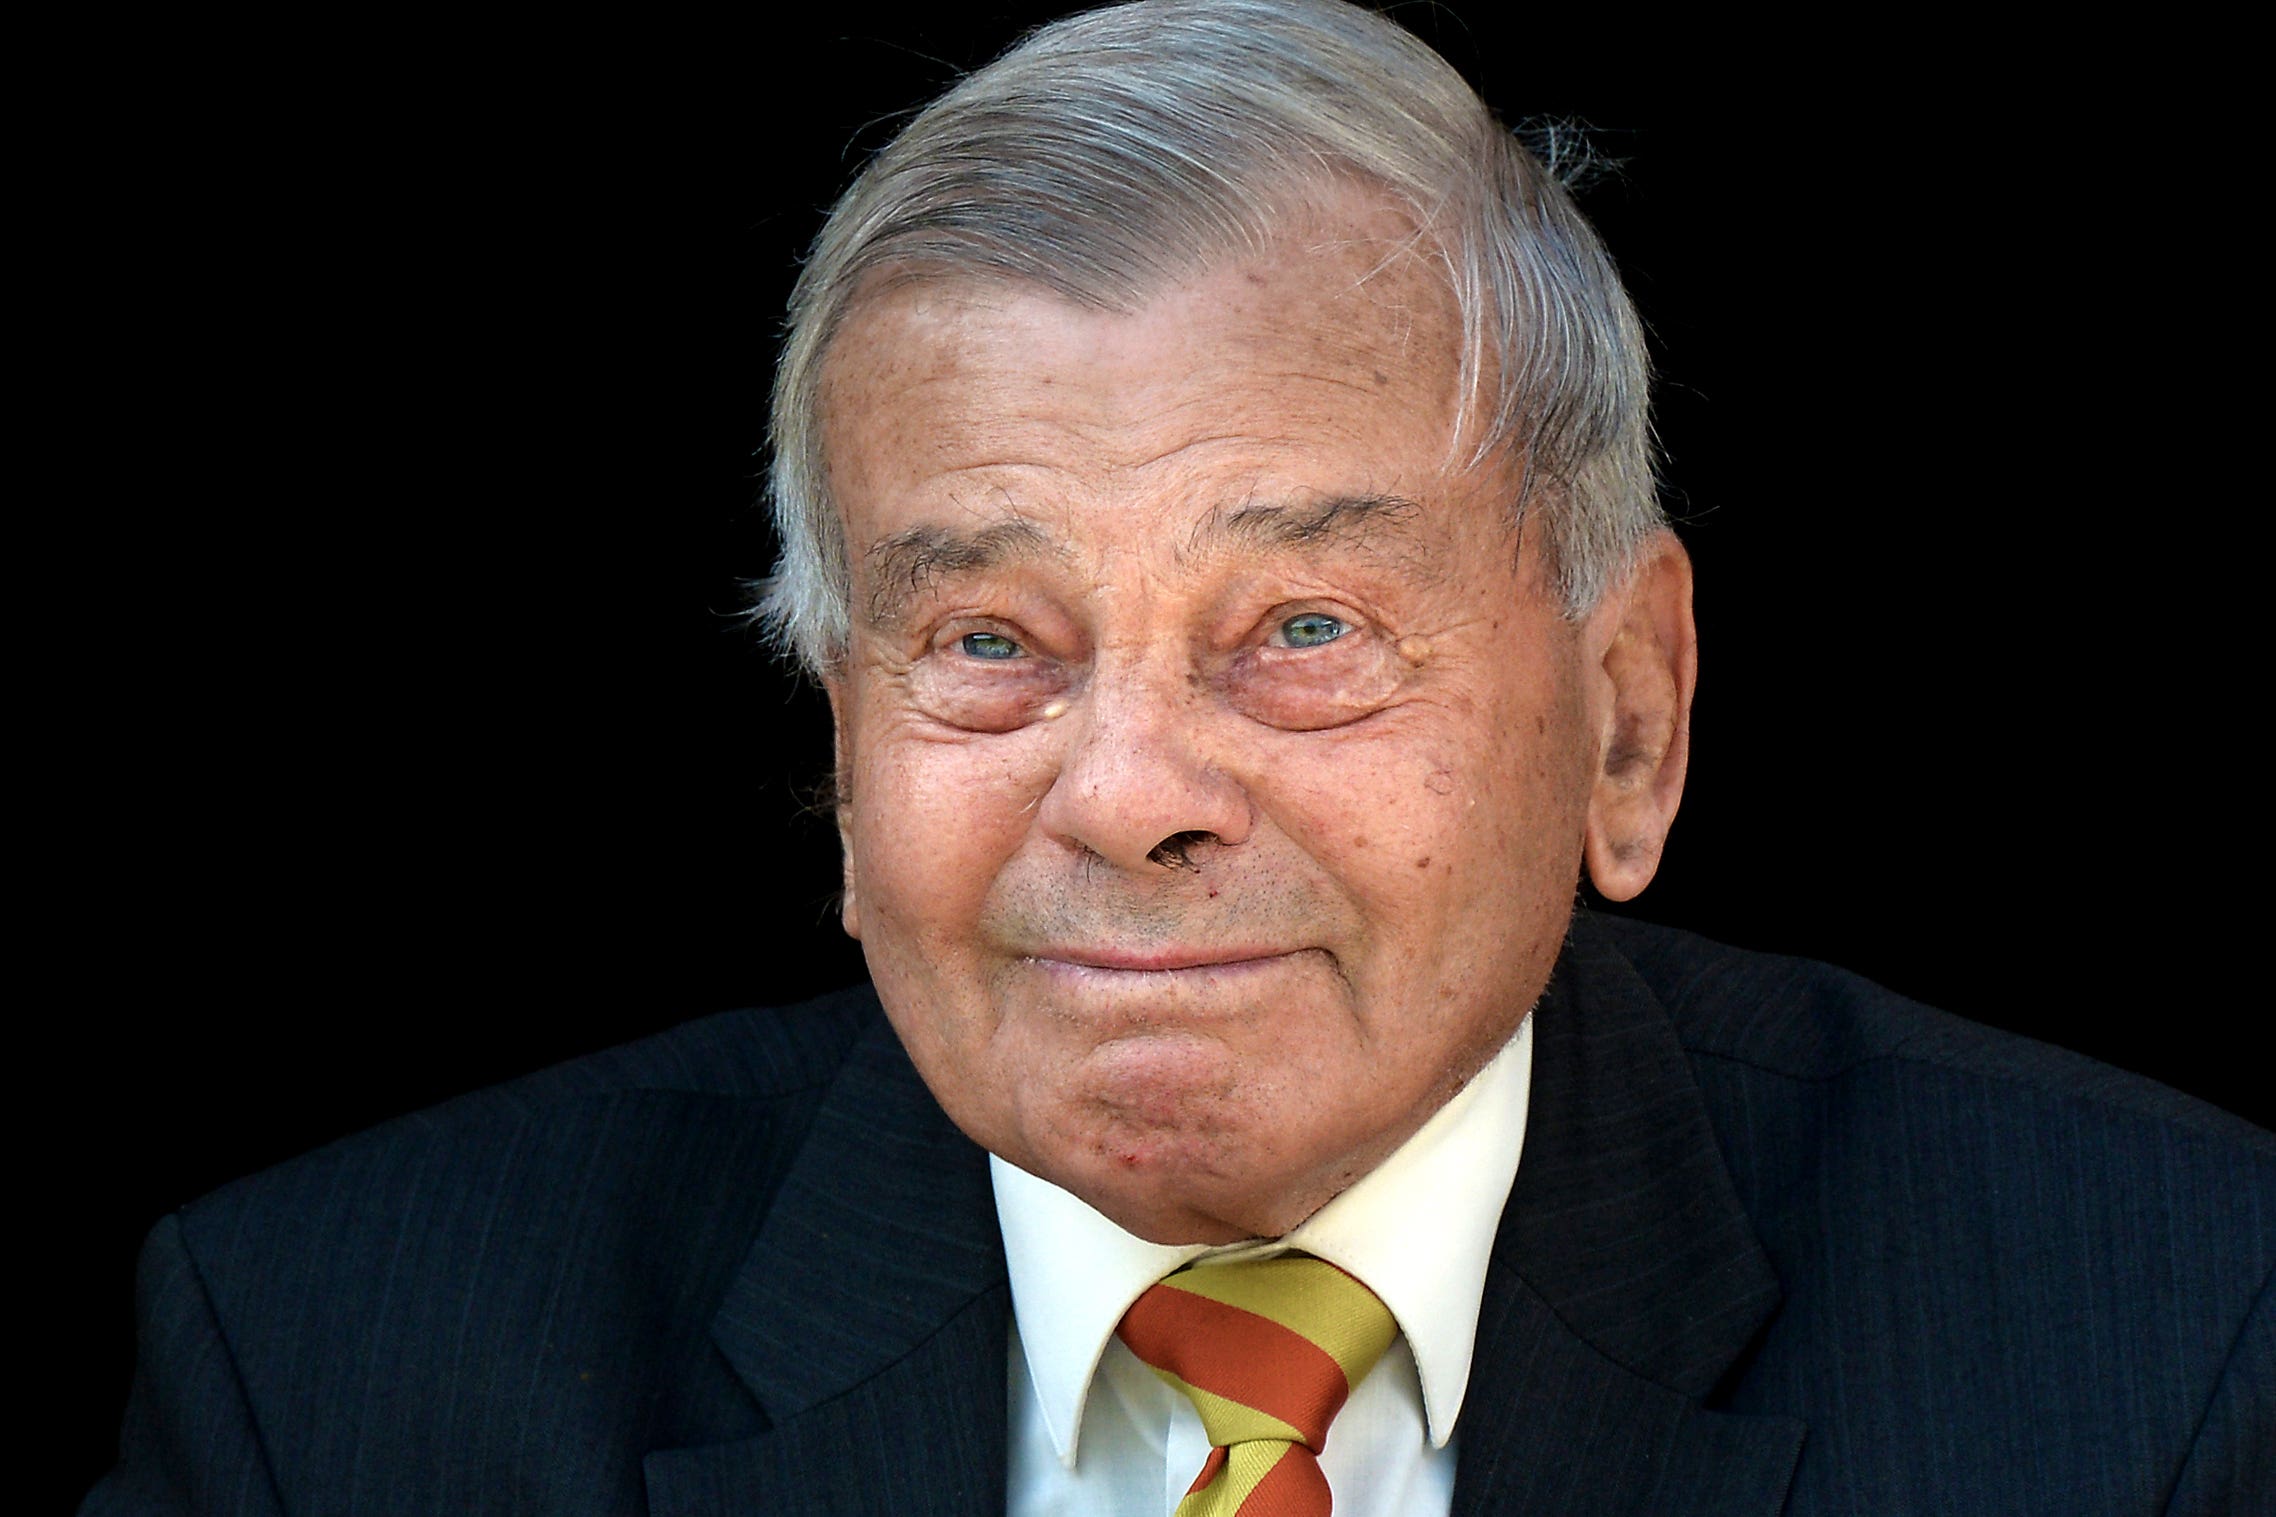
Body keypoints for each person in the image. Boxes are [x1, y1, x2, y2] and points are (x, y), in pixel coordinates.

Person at [84, 2, 2272, 1513]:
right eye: (987, 643)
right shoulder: (333, 1378)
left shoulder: (2171, 1335)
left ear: (1629, 717)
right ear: (841, 750)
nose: (1128, 794)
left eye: (1305, 630)